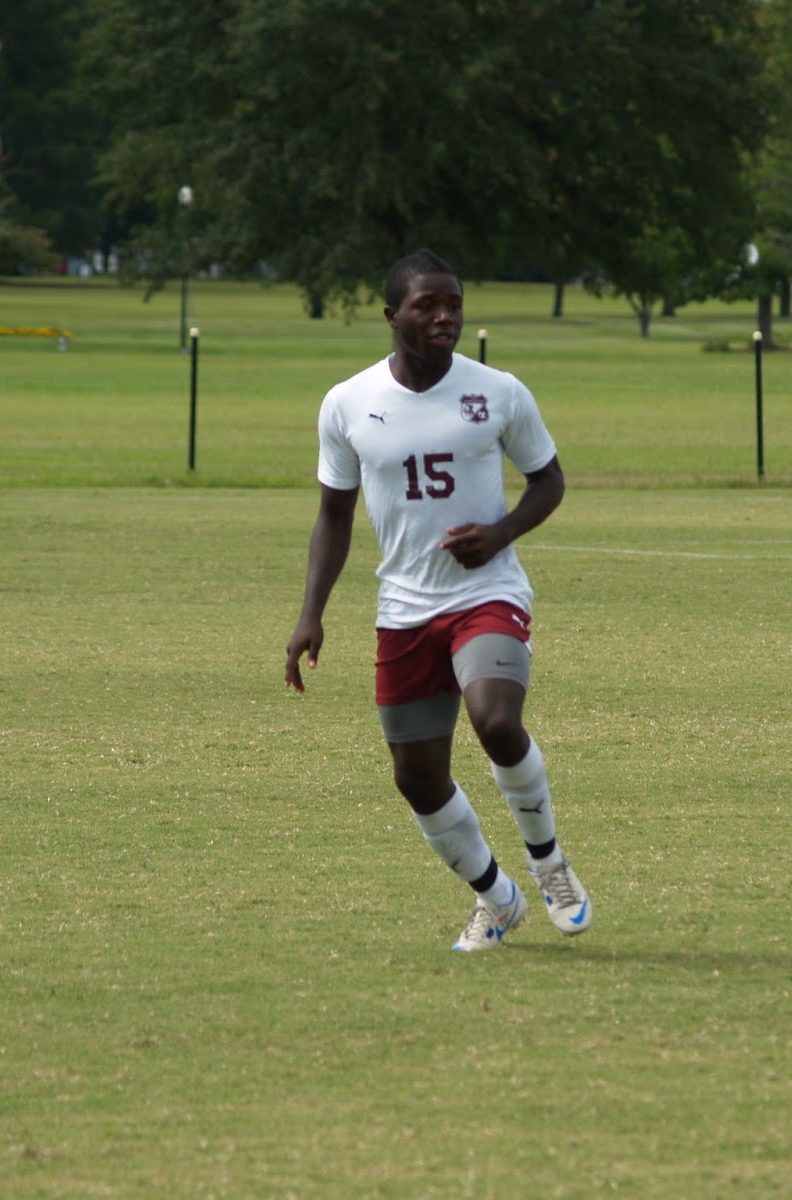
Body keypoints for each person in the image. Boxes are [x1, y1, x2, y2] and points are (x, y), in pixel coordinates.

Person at [284, 249, 592, 952]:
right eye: (428, 305)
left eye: (453, 303)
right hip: (403, 609)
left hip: (487, 593)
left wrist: (501, 533)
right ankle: (496, 897)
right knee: (416, 778)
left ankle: (550, 864)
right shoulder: (347, 403)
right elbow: (333, 515)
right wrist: (310, 614)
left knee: (495, 720)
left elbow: (548, 481)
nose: (445, 316)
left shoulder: (500, 392)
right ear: (393, 316)